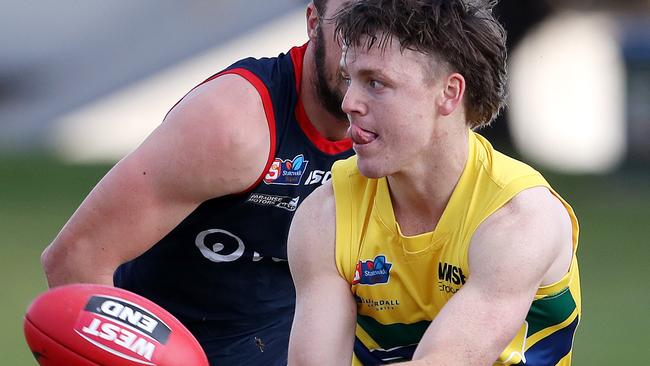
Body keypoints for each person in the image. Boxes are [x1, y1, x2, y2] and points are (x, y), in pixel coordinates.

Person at [40, 1, 354, 364]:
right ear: (314, 22)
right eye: (352, 26)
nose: (363, 52)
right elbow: (75, 258)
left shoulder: (407, 135)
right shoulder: (234, 124)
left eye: (385, 29)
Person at [287, 1, 581, 365]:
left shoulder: (520, 218)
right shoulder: (325, 216)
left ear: (449, 93)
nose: (349, 102)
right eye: (350, 79)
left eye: (375, 83)